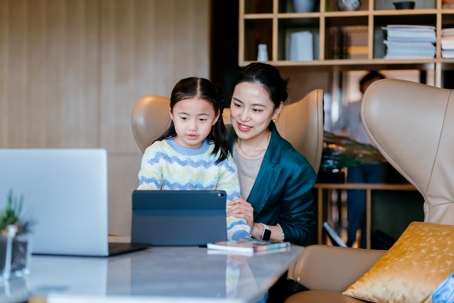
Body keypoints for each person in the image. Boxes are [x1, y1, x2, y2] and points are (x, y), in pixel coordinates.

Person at [137, 77, 250, 241]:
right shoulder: (156, 154)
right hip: (165, 241)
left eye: (202, 119)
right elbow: (145, 204)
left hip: (208, 244)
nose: (192, 127)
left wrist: (241, 240)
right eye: (184, 118)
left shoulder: (221, 157)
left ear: (216, 117)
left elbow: (232, 210)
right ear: (172, 114)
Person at [225, 62, 317, 247]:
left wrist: (255, 228)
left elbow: (300, 231)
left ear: (276, 110)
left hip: (257, 263)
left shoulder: (293, 166)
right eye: (237, 104)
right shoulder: (212, 141)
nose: (243, 117)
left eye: (256, 110)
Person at [333, 71, 386, 248]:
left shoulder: (386, 107)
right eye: (369, 83)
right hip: (355, 159)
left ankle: (367, 242)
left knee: (376, 202)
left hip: (377, 159)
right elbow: (336, 130)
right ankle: (349, 239)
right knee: (357, 200)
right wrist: (349, 136)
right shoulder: (353, 106)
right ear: (362, 86)